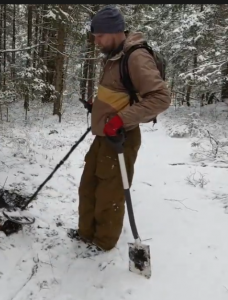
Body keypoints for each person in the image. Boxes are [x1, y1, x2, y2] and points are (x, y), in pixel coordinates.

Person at [68, 5, 171, 256]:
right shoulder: (114, 54)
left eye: (100, 36)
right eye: (95, 36)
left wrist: (119, 120)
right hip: (104, 134)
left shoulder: (135, 57)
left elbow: (160, 97)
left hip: (120, 138)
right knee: (88, 186)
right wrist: (98, 107)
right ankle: (86, 232)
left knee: (109, 193)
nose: (96, 42)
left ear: (115, 32)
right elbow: (119, 94)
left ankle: (103, 242)